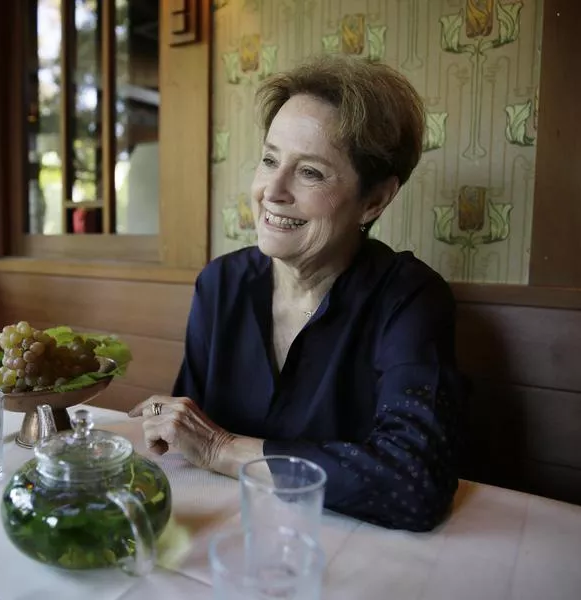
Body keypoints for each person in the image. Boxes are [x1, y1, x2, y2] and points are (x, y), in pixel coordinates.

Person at [129, 55, 466, 532]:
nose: (273, 190)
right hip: (222, 537)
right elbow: (187, 438)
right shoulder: (220, 285)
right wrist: (178, 430)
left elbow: (412, 485)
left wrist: (220, 448)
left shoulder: (409, 298)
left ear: (375, 200)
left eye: (310, 172)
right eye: (269, 160)